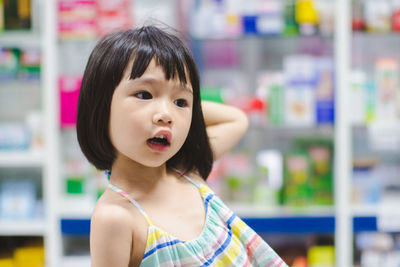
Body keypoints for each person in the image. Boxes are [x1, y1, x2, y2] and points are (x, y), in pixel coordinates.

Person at [77, 25, 288, 267]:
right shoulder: (115, 217)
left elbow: (237, 119)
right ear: (101, 105)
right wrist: (176, 103)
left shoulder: (186, 171)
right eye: (145, 95)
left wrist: (185, 112)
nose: (165, 115)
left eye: (180, 101)